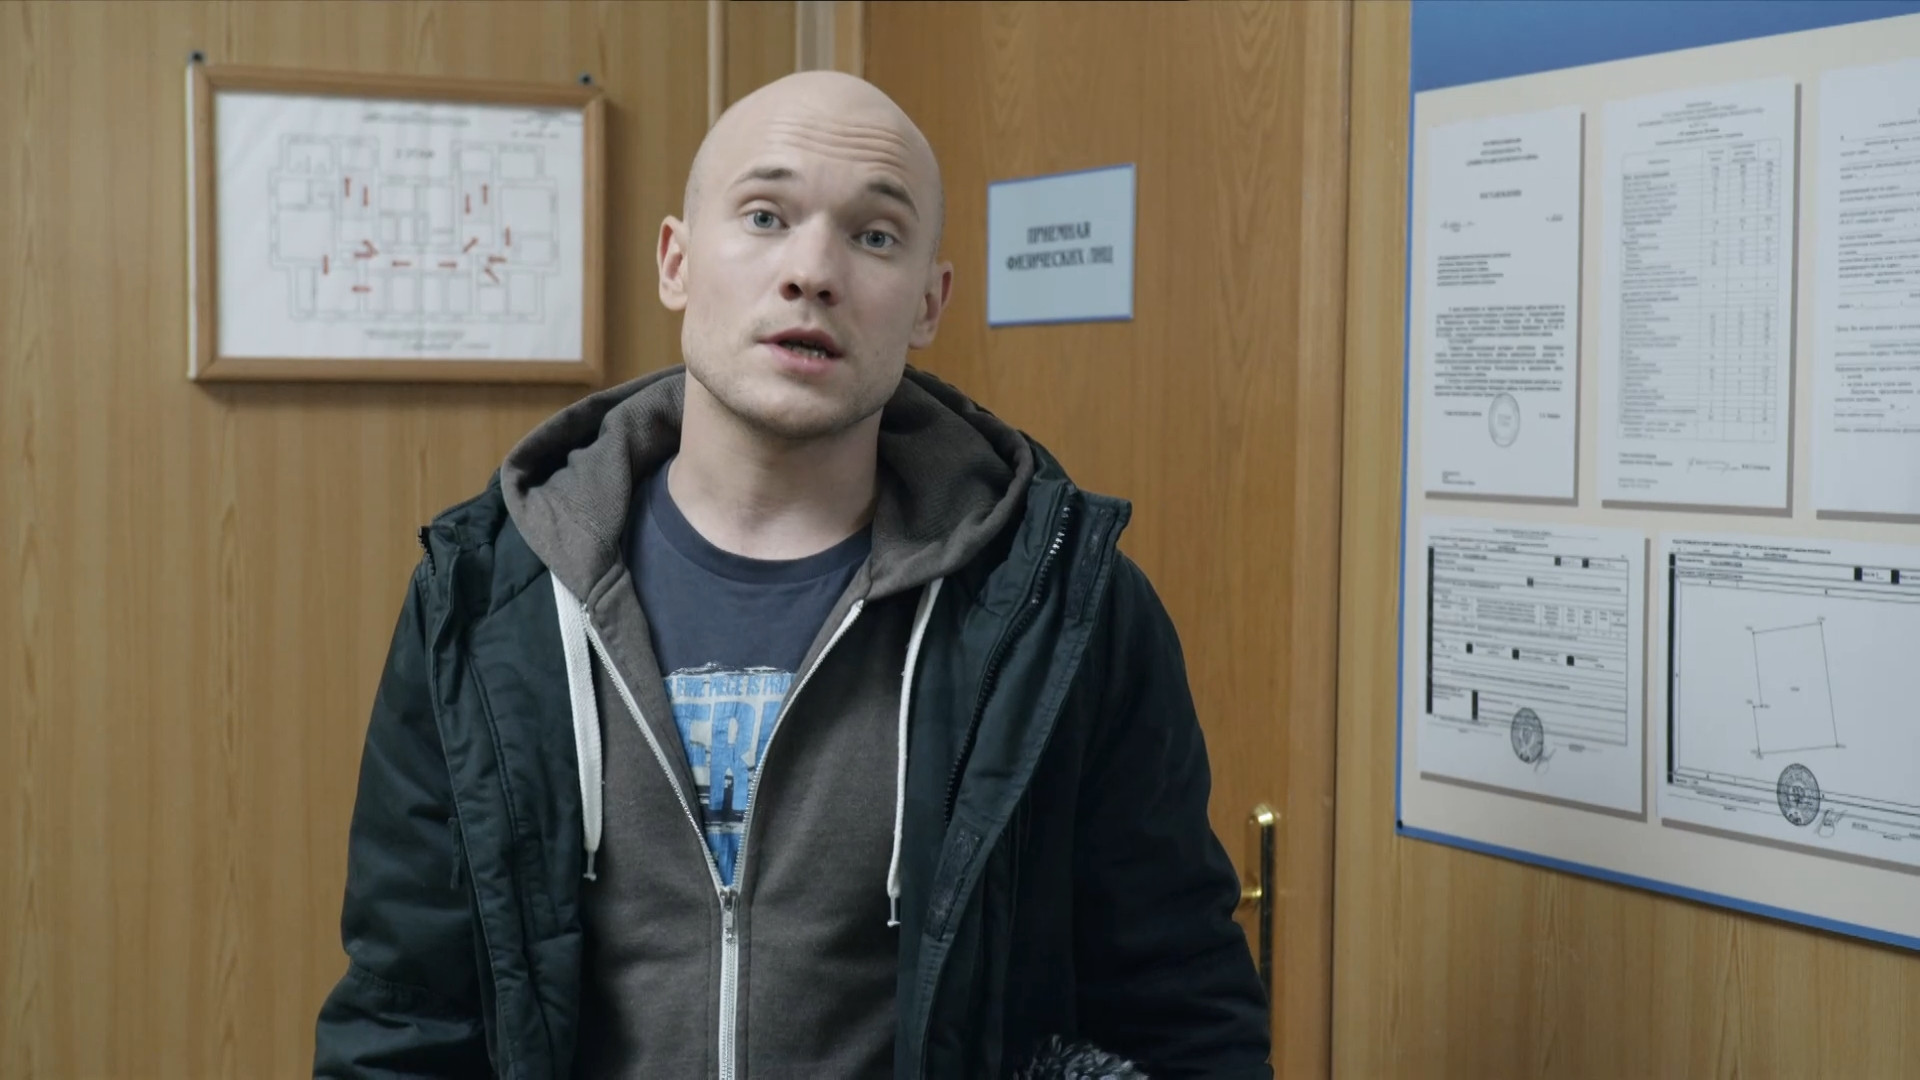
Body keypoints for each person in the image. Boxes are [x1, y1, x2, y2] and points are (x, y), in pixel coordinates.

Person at [313, 70, 1269, 1079]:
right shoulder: (492, 601)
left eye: (876, 236)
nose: (813, 272)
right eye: (765, 216)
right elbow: (406, 1014)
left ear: (930, 302)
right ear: (677, 261)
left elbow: (1178, 1000)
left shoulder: (1055, 606)